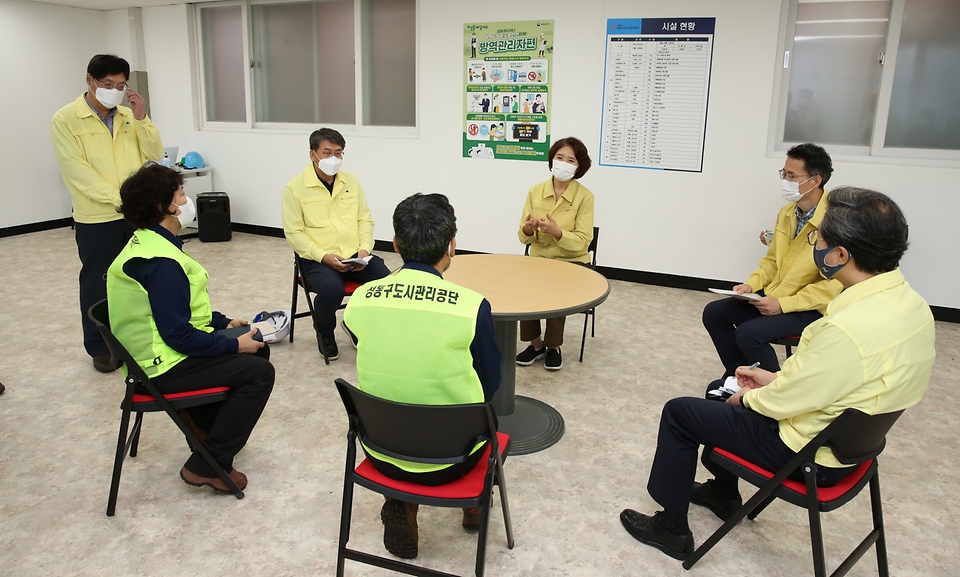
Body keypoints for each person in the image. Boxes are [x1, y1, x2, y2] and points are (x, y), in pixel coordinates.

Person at [619, 186, 936, 561]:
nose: (814, 242)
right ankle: (723, 493)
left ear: (840, 254)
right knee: (718, 387)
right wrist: (772, 380)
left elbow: (787, 401)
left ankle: (671, 530)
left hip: (806, 453)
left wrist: (750, 396)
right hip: (853, 445)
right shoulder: (913, 306)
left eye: (820, 237)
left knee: (680, 411)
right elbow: (830, 381)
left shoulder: (847, 329)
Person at [343, 193, 501, 560]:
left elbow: (361, 342)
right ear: (452, 246)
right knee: (486, 416)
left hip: (381, 448)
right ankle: (473, 506)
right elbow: (489, 386)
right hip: (452, 458)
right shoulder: (471, 307)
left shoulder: (362, 298)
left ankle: (401, 500)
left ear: (396, 244)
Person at [106, 164, 275, 494]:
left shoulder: (151, 243)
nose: (187, 200)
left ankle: (203, 429)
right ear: (163, 207)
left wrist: (222, 322)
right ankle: (207, 464)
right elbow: (178, 335)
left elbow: (175, 310)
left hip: (158, 352)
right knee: (257, 372)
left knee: (258, 344)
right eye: (181, 194)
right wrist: (232, 346)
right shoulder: (161, 263)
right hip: (159, 365)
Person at [51, 54, 163, 373]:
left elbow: (155, 153)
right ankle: (100, 348)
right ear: (90, 80)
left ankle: (140, 339)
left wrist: (143, 118)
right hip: (97, 217)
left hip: (134, 216)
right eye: (107, 84)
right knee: (98, 283)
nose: (114, 91)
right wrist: (122, 199)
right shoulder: (65, 119)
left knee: (140, 279)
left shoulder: (128, 116)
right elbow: (77, 172)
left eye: (121, 85)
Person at [702, 143, 842, 380]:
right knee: (714, 313)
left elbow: (833, 285)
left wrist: (783, 305)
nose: (785, 181)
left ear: (816, 180)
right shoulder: (787, 213)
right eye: (783, 174)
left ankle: (774, 391)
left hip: (811, 308)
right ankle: (740, 378)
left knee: (749, 334)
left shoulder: (836, 221)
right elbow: (772, 262)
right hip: (776, 297)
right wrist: (751, 286)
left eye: (792, 176)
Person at [281, 128, 390, 360]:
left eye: (339, 153)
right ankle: (325, 332)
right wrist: (323, 256)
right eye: (327, 152)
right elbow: (294, 233)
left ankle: (354, 325)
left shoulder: (351, 181)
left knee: (386, 283)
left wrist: (364, 250)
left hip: (354, 255)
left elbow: (364, 219)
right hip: (316, 259)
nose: (333, 159)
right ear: (313, 155)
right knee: (332, 289)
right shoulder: (295, 188)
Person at [516, 137, 595, 370]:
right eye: (560, 157)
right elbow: (522, 236)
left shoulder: (585, 197)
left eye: (571, 160)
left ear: (579, 166)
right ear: (551, 160)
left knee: (557, 290)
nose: (563, 163)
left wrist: (559, 233)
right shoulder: (535, 192)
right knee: (524, 287)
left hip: (572, 262)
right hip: (540, 258)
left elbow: (583, 242)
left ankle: (554, 347)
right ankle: (536, 344)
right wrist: (528, 230)